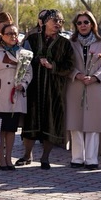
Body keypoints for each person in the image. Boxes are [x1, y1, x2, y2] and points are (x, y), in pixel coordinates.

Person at [18, 9, 74, 170]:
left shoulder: (65, 44)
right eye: (55, 20)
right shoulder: (32, 39)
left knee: (51, 122)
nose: (58, 23)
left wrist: (52, 66)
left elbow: (69, 66)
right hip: (33, 88)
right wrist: (37, 60)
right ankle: (27, 155)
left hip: (54, 90)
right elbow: (22, 59)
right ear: (45, 22)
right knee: (30, 122)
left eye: (61, 21)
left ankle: (45, 158)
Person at [65, 11, 101, 170]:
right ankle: (77, 158)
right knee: (75, 122)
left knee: (93, 123)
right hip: (75, 86)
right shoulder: (70, 43)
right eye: (79, 23)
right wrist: (77, 74)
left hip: (95, 86)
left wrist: (95, 77)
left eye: (86, 22)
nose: (83, 25)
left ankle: (91, 159)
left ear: (92, 24)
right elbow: (66, 65)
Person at [0, 23, 32, 169]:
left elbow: (29, 72)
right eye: (9, 33)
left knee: (11, 129)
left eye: (15, 33)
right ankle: (0, 158)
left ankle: (9, 158)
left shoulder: (24, 53)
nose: (13, 36)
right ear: (2, 35)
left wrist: (23, 84)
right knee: (0, 129)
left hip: (16, 96)